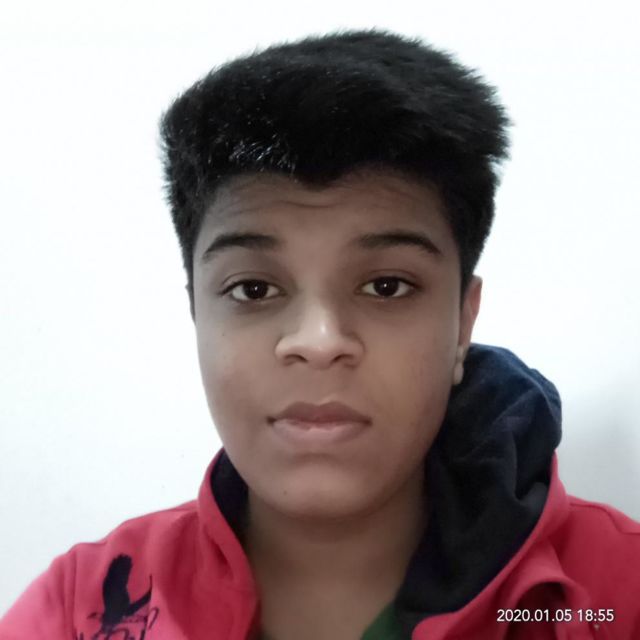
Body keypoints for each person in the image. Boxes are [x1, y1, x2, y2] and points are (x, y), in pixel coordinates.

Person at [1, 27, 639, 640]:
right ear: (197, 313)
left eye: (386, 285)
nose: (319, 340)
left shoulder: (620, 597)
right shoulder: (79, 609)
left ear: (462, 324)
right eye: (253, 289)